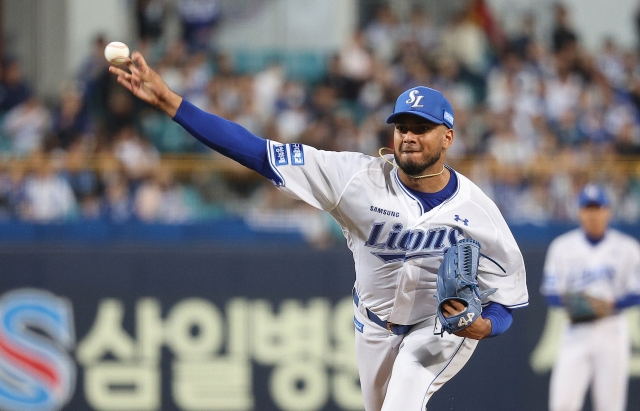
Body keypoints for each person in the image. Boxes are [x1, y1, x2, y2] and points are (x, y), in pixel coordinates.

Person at [109, 52, 529, 410]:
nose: (409, 137)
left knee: (405, 395)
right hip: (374, 325)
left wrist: (484, 326)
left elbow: (507, 303)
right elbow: (257, 152)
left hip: (436, 328)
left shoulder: (479, 214)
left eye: (422, 128)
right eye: (402, 127)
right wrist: (169, 101)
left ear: (448, 137)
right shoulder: (354, 179)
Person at [541, 184, 640, 411]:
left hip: (612, 330)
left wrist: (610, 304)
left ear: (607, 211)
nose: (593, 214)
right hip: (576, 330)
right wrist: (579, 304)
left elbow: (636, 293)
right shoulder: (562, 247)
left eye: (597, 208)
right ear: (579, 212)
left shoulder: (628, 248)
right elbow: (551, 293)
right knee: (563, 404)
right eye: (588, 208)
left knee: (610, 406)